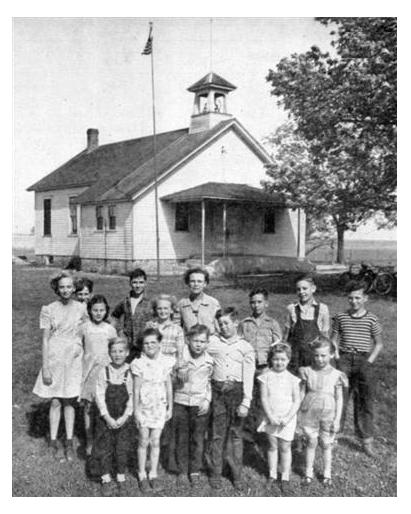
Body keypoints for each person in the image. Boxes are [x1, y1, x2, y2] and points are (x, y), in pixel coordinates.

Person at [33, 271, 87, 461]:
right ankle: (54, 440)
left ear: (74, 288)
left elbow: (84, 333)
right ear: (57, 288)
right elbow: (46, 340)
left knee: (69, 400)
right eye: (62, 287)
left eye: (69, 287)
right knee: (55, 400)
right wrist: (45, 367)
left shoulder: (81, 308)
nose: (65, 290)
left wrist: (78, 347)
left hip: (73, 358)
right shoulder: (49, 309)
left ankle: (70, 440)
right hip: (55, 357)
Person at [331, 280, 383, 457]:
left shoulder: (372, 319)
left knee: (364, 401)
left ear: (365, 298)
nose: (354, 301)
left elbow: (378, 344)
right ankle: (334, 436)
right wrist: (337, 357)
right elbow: (333, 340)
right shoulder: (341, 317)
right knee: (340, 398)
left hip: (364, 360)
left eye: (358, 298)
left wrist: (368, 362)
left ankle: (366, 440)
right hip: (344, 359)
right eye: (351, 298)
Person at [207, 307, 255, 490]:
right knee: (217, 434)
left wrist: (246, 401)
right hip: (217, 392)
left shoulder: (245, 347)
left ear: (236, 323)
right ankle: (215, 472)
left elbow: (249, 376)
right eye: (220, 324)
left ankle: (236, 475)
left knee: (235, 435)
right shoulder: (212, 342)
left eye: (227, 323)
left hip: (237, 392)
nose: (223, 327)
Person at [298, 337, 348, 486]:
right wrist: (298, 413)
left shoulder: (337, 375)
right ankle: (308, 473)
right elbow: (301, 393)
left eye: (323, 355)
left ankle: (327, 474)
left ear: (332, 355)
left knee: (326, 444)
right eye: (316, 355)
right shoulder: (306, 371)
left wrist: (337, 419)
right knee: (311, 442)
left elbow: (339, 399)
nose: (319, 359)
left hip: (329, 414)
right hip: (309, 411)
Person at [131, 328, 174, 492]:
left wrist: (170, 406)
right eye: (146, 343)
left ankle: (153, 473)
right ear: (142, 345)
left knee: (155, 440)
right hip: (144, 406)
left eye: (153, 342)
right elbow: (135, 390)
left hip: (159, 405)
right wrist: (136, 410)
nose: (150, 345)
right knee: (143, 440)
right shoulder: (138, 364)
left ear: (159, 344)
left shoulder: (166, 362)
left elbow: (168, 386)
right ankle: (141, 473)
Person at [172, 324, 214, 489]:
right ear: (188, 340)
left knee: (198, 438)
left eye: (202, 341)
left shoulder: (209, 361)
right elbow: (172, 380)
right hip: (181, 402)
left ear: (207, 343)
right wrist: (177, 374)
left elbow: (210, 383)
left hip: (199, 404)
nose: (198, 344)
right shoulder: (181, 358)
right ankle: (182, 470)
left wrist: (207, 400)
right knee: (182, 437)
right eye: (195, 341)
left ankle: (194, 470)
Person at [92, 337, 134, 496]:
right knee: (105, 447)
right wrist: (106, 416)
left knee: (122, 447)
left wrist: (125, 416)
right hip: (106, 417)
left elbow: (132, 396)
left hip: (123, 417)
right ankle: (106, 478)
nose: (117, 355)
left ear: (127, 353)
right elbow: (99, 395)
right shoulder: (104, 371)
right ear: (109, 353)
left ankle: (121, 476)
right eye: (114, 351)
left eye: (121, 351)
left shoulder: (130, 371)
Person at [257, 343, 300, 495]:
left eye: (283, 359)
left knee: (285, 447)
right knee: (272, 446)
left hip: (287, 419)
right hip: (271, 417)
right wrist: (270, 416)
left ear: (288, 360)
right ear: (271, 360)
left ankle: (285, 477)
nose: (279, 362)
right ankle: (272, 474)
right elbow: (264, 398)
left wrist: (288, 418)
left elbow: (296, 401)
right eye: (276, 359)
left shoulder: (293, 379)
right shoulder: (265, 377)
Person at [79, 294, 117, 456]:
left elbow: (116, 350)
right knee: (88, 406)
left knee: (104, 406)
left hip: (105, 372)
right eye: (95, 310)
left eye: (102, 310)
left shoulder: (109, 329)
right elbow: (77, 347)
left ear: (106, 311)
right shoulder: (84, 328)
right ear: (89, 311)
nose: (98, 313)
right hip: (89, 371)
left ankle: (105, 440)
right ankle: (89, 441)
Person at [284, 274, 330, 374]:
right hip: (295, 354)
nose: (301, 292)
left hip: (313, 354)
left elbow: (325, 335)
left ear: (313, 289)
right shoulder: (291, 308)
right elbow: (286, 334)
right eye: (298, 289)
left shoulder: (322, 309)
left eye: (305, 288)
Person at [111, 268, 151, 361]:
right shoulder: (125, 301)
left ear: (145, 283)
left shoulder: (150, 302)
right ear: (130, 283)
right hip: (128, 343)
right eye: (135, 282)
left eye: (141, 282)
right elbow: (114, 316)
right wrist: (119, 331)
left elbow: (157, 319)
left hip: (144, 343)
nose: (138, 285)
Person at [177, 268, 220, 335]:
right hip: (189, 342)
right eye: (192, 281)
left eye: (199, 281)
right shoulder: (181, 304)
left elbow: (219, 326)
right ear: (188, 283)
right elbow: (177, 328)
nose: (196, 284)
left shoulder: (213, 303)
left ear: (205, 283)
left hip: (210, 342)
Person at [146, 294, 185, 362]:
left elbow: (180, 352)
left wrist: (179, 363)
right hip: (152, 363)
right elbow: (144, 348)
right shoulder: (151, 326)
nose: (163, 311)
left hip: (170, 363)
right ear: (155, 310)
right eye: (159, 308)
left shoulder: (177, 329)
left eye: (165, 308)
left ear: (172, 310)